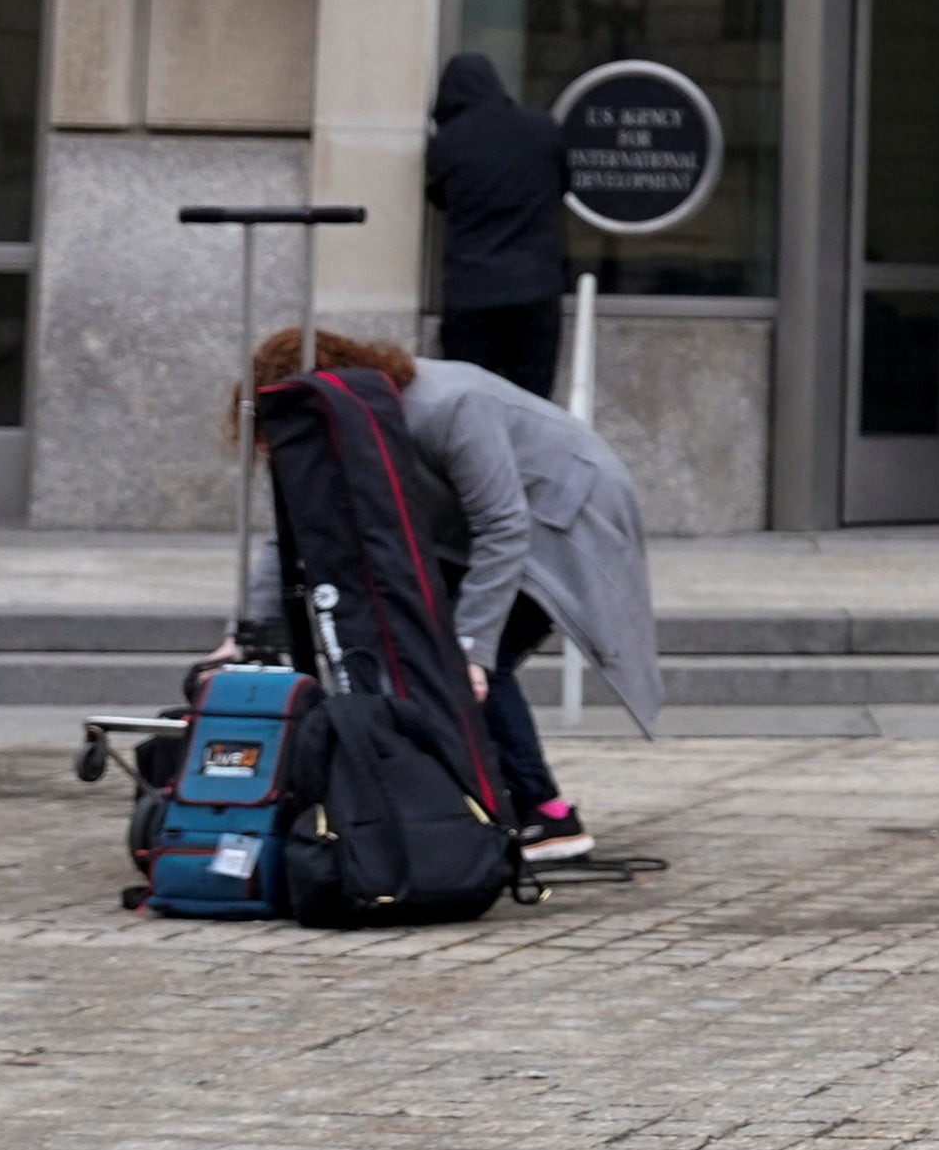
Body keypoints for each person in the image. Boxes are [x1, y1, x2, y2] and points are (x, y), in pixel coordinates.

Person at [246, 325, 660, 865]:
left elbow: (504, 525)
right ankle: (463, 797)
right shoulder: (337, 424)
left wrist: (473, 647)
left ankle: (548, 814)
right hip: (470, 527)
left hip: (561, 516)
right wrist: (251, 635)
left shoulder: (447, 404)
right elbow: (291, 530)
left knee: (463, 664)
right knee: (414, 640)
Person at [425, 53, 571, 397]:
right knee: (533, 401)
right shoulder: (543, 129)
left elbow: (440, 199)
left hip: (471, 291)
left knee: (470, 401)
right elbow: (563, 186)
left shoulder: (449, 142)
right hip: (536, 286)